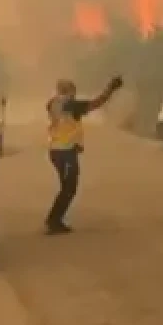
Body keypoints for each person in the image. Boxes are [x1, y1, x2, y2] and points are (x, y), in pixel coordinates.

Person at [45, 75, 123, 234]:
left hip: (56, 150)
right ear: (69, 91)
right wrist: (111, 88)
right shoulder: (70, 105)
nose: (75, 95)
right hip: (65, 151)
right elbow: (97, 102)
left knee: (67, 188)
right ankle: (53, 221)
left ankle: (54, 220)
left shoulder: (53, 103)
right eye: (73, 92)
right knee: (69, 188)